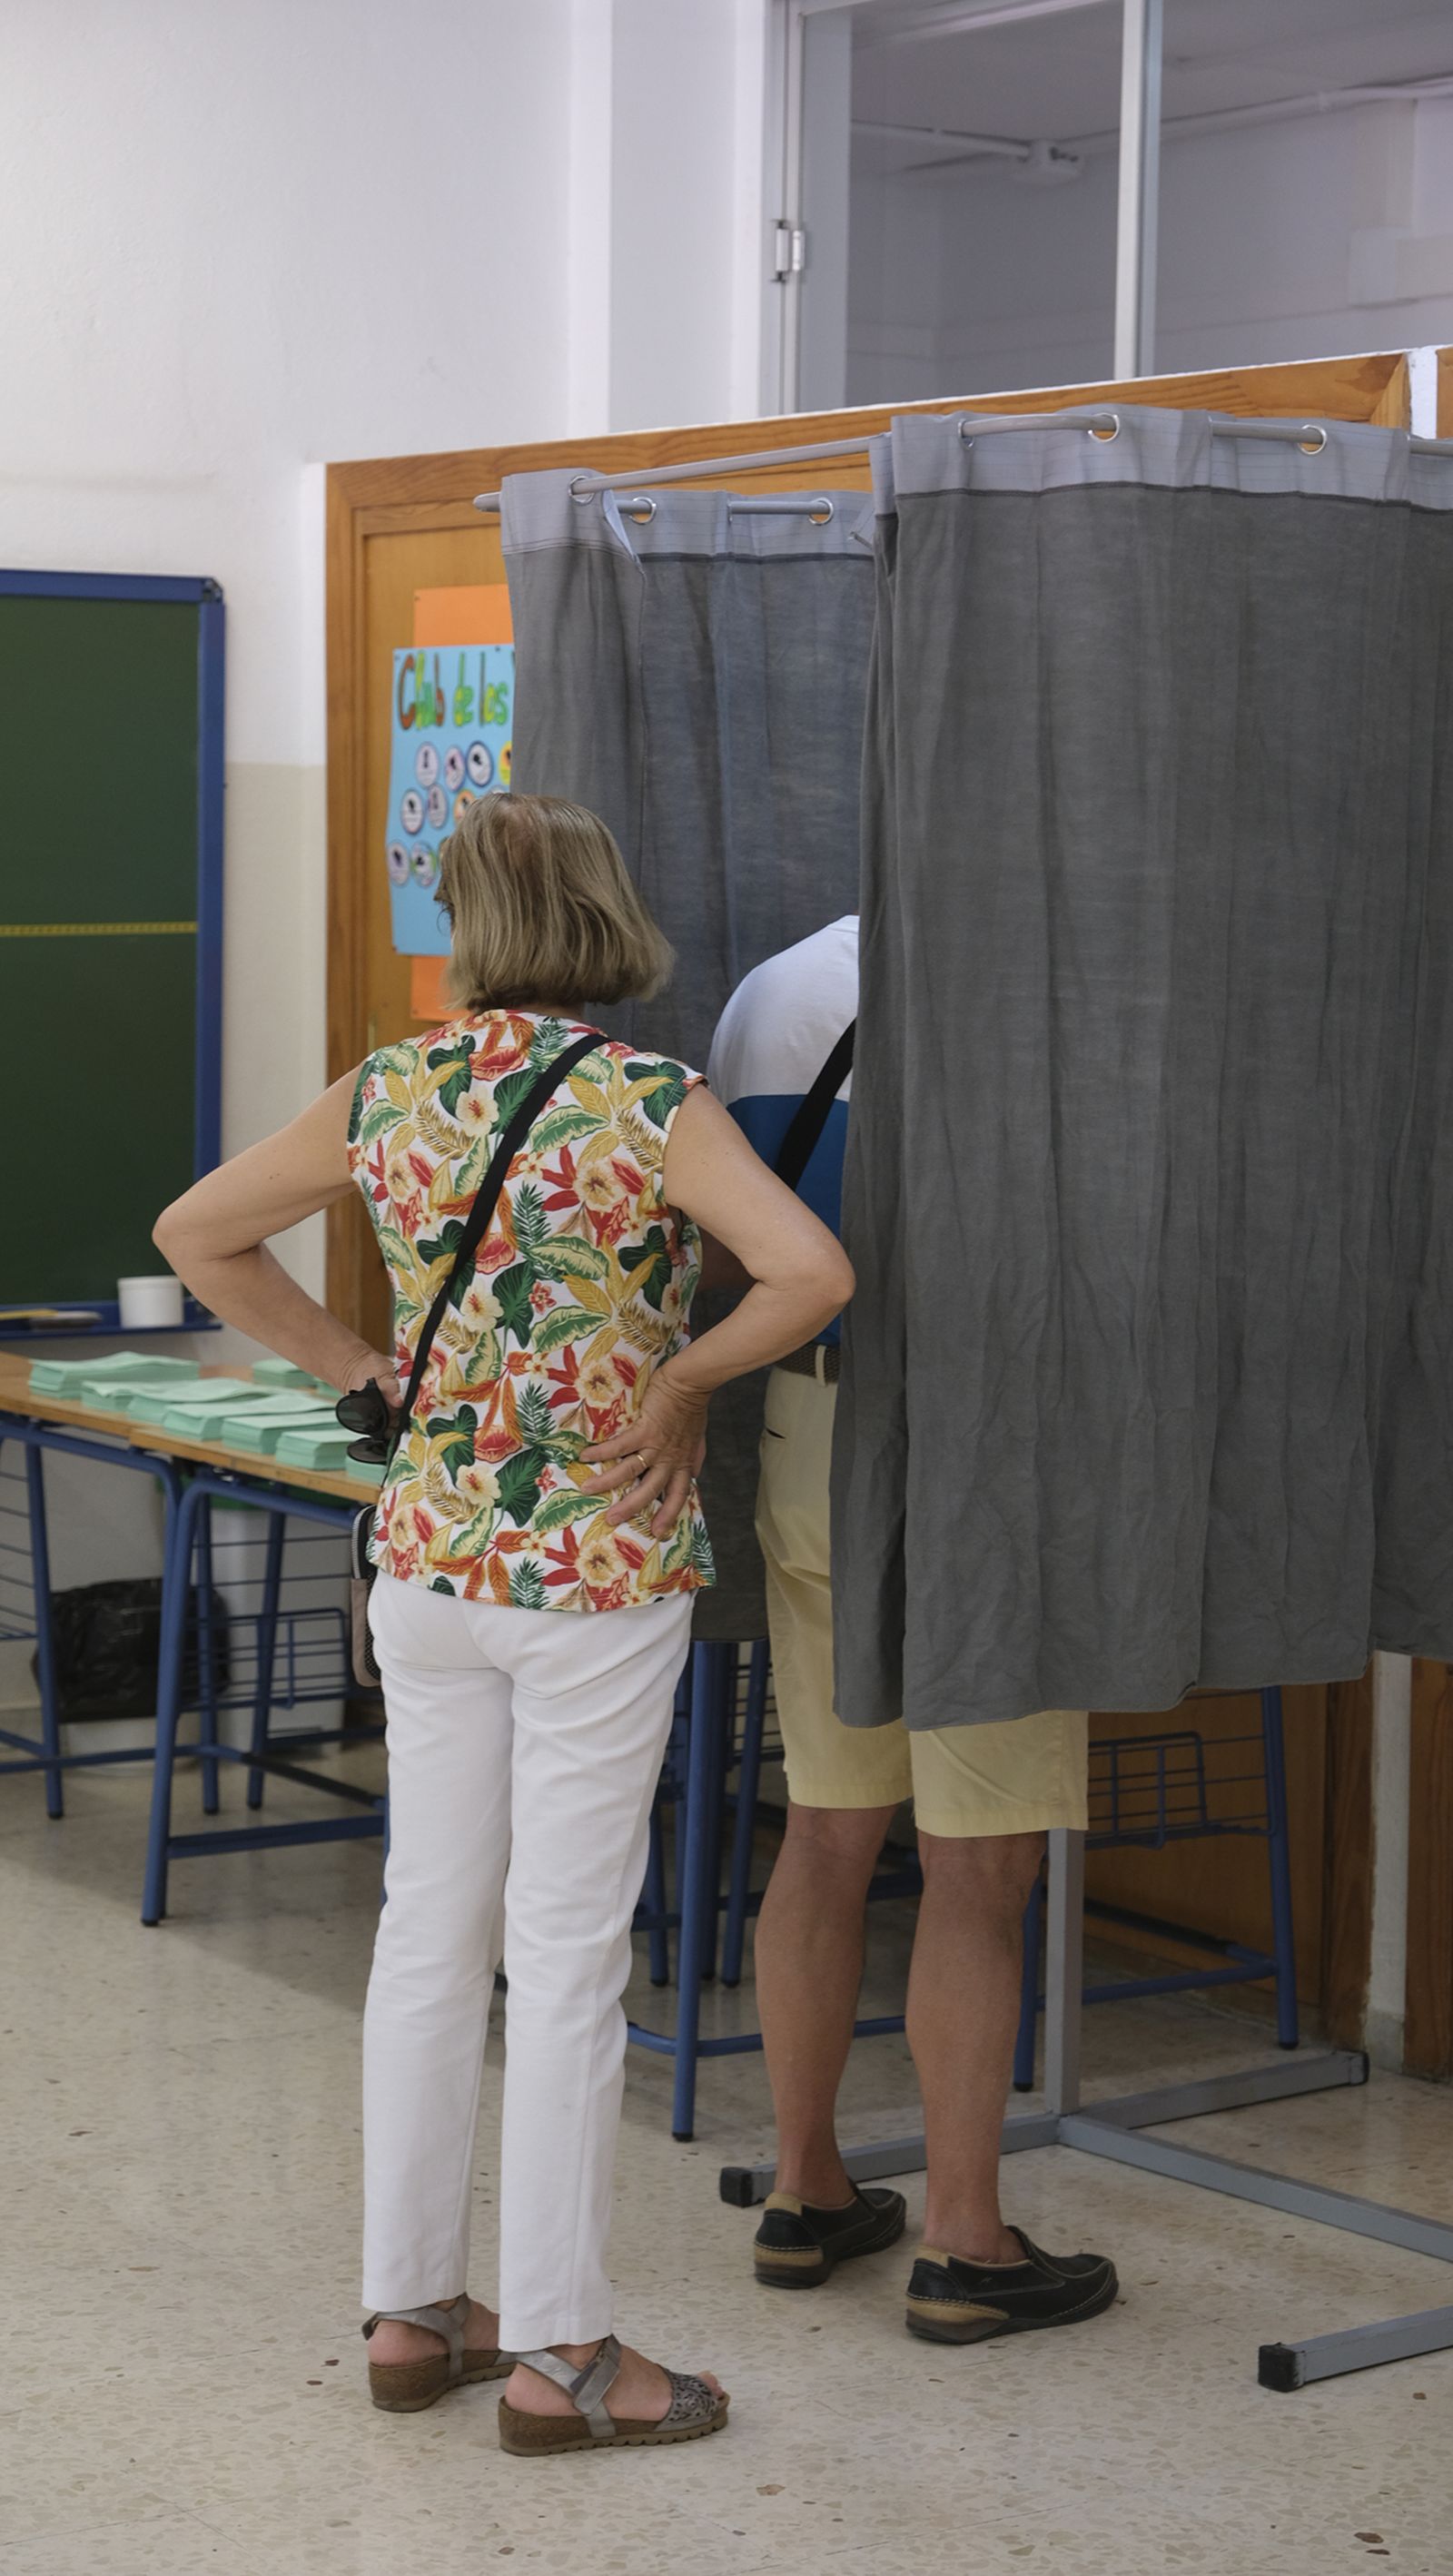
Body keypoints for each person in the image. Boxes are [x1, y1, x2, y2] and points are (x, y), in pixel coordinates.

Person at [154, 793, 853, 2456]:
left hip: (430, 1557)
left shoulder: (390, 1086)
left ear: (468, 922)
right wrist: (682, 1380)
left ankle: (412, 2315)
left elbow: (196, 1233)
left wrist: (355, 1367)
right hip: (597, 1568)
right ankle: (563, 2348)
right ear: (607, 912)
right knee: (567, 1954)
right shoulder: (648, 1101)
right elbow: (810, 1271)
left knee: (426, 1931)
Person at [708, 914, 1117, 2345]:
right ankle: (964, 2238)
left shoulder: (773, 990)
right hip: (987, 1438)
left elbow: (739, 1233)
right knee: (978, 1860)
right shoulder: (1050, 976)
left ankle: (807, 2188)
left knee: (825, 1832)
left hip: (809, 1421)